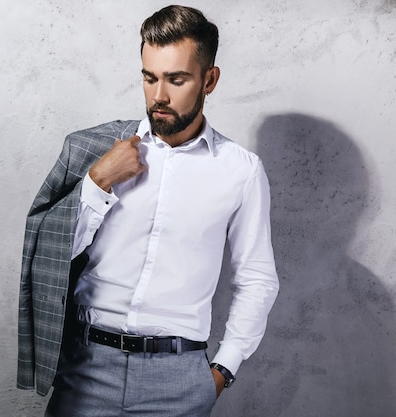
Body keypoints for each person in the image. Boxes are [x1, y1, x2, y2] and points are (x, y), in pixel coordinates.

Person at [17, 5, 279, 416]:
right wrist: (97, 182)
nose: (159, 95)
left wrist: (222, 371)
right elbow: (49, 254)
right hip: (86, 369)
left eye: (177, 79)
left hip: (180, 379)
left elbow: (257, 278)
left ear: (209, 80)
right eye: (149, 77)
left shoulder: (240, 171)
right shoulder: (97, 150)